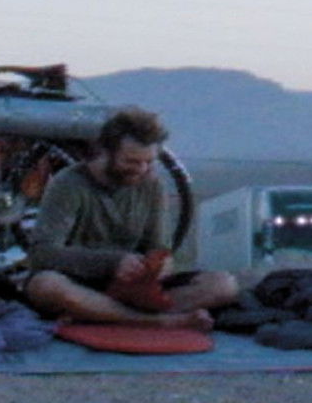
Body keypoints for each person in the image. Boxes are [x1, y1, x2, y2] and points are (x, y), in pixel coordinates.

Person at [25, 107, 238, 327]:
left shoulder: (152, 185)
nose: (141, 169)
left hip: (131, 291)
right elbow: (43, 254)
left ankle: (103, 314)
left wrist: (159, 265)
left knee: (223, 285)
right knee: (46, 286)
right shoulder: (69, 184)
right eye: (131, 161)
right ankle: (154, 321)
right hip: (78, 283)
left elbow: (159, 247)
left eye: (148, 162)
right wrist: (112, 263)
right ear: (107, 152)